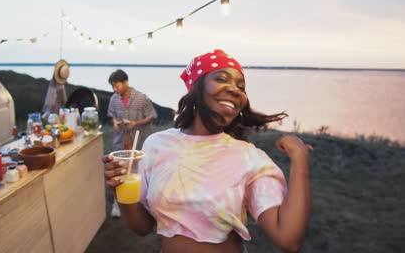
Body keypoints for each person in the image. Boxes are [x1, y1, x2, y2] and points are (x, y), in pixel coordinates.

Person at [103, 50, 312, 253]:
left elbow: (288, 240)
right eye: (222, 79)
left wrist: (300, 158)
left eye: (241, 86)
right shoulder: (156, 145)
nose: (235, 90)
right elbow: (142, 227)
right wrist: (120, 187)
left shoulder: (249, 158)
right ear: (196, 88)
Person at [107, 69, 158, 217]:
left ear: (126, 82)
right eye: (113, 86)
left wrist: (136, 123)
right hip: (121, 141)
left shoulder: (142, 98)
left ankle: (143, 204)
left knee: (140, 172)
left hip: (139, 139)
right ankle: (118, 205)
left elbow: (152, 115)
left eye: (117, 86)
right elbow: (112, 115)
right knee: (120, 171)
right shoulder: (114, 99)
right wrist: (116, 122)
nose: (115, 89)